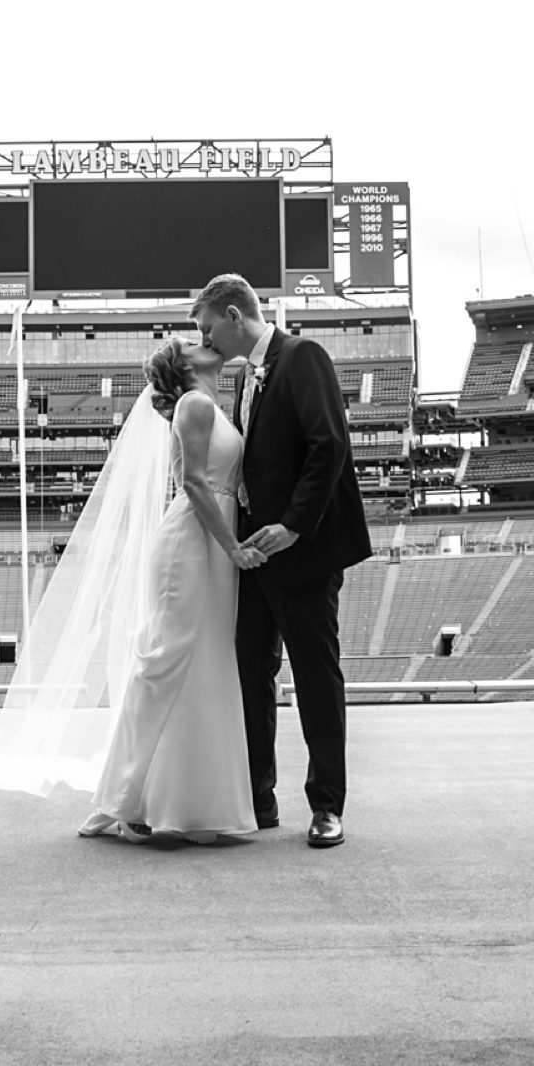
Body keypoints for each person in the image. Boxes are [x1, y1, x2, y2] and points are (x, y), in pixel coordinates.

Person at [0, 336, 263, 847]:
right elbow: (193, 483)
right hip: (193, 542)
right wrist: (232, 547)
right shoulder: (195, 404)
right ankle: (122, 798)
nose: (206, 342)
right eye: (193, 342)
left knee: (203, 663)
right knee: (165, 661)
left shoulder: (214, 405)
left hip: (214, 539)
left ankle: (184, 802)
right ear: (184, 366)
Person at [191, 273, 373, 849]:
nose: (206, 340)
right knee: (250, 673)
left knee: (315, 676)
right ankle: (257, 797)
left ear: (233, 314)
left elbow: (329, 444)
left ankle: (327, 805)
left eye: (208, 328)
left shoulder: (303, 356)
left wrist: (294, 525)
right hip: (255, 556)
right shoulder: (245, 376)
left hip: (303, 552)